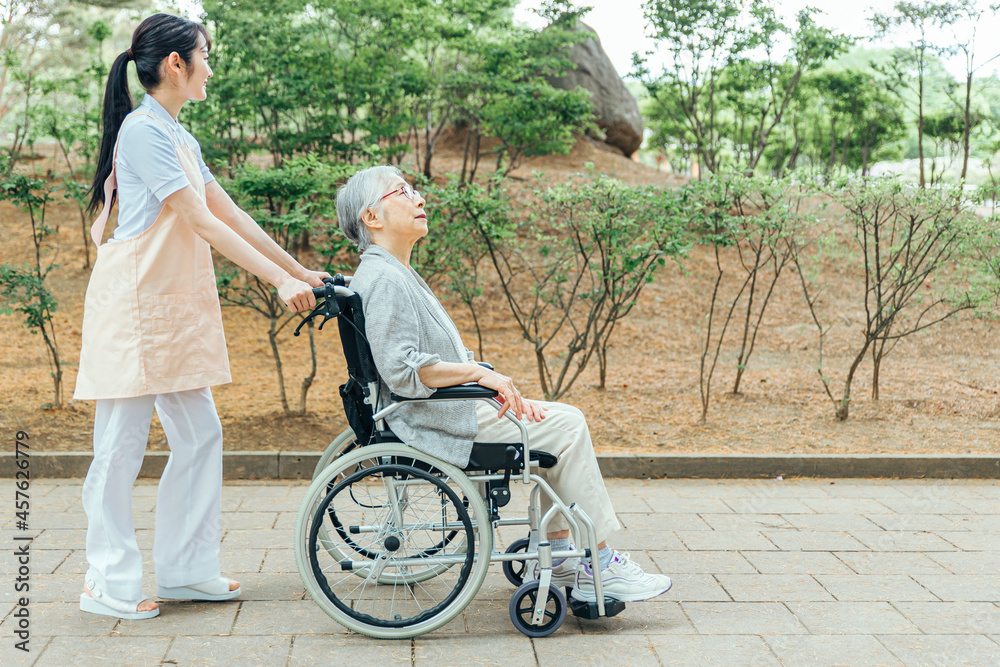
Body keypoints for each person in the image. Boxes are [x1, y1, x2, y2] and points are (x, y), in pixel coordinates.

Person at [74, 14, 329, 620]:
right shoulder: (143, 132)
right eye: (204, 56)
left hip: (171, 310)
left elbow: (231, 213)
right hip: (135, 309)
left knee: (199, 434)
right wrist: (280, 282)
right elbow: (199, 220)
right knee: (119, 445)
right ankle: (105, 582)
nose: (210, 67)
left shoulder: (178, 136)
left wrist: (301, 269)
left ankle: (187, 570)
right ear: (176, 65)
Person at [336, 165, 673, 604]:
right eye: (403, 192)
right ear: (372, 218)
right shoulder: (384, 278)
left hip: (439, 410)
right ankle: (598, 564)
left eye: (414, 190)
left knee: (560, 419)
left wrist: (481, 380)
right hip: (434, 419)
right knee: (569, 426)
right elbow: (404, 371)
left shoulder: (390, 272)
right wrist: (479, 375)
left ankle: (561, 555)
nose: (419, 199)